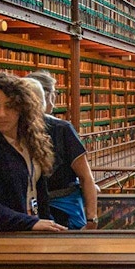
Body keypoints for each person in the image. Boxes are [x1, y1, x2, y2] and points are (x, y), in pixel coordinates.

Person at [0, 71, 67, 232]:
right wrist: (29, 223)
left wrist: (47, 223)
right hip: (2, 239)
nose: (1, 114)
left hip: (35, 231)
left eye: (9, 106)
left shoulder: (31, 141)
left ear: (22, 107)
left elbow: (40, 194)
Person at [26, 70, 98, 229]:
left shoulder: (61, 128)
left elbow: (86, 177)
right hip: (45, 210)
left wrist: (92, 218)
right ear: (45, 96)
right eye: (54, 94)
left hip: (52, 209)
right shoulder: (62, 128)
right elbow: (86, 177)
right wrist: (92, 218)